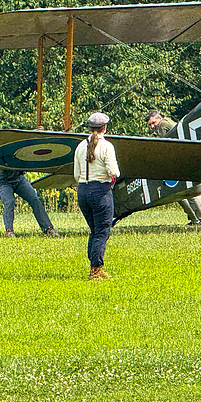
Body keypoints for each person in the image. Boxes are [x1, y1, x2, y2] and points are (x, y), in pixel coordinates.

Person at [74, 112, 121, 280]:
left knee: (94, 230)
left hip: (83, 190)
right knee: (102, 231)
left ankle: (93, 265)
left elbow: (76, 174)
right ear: (105, 127)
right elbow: (114, 171)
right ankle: (96, 269)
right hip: (100, 190)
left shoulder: (80, 146)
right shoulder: (107, 146)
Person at [145, 109, 201, 226]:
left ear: (159, 119)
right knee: (179, 193)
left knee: (192, 191)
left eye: (153, 122)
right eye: (150, 124)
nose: (152, 126)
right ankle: (195, 220)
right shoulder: (166, 125)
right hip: (176, 162)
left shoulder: (163, 124)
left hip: (182, 160)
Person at [0, 170, 60, 237]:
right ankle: (9, 231)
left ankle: (48, 229)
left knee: (34, 200)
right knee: (9, 201)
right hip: (2, 182)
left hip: (19, 179)